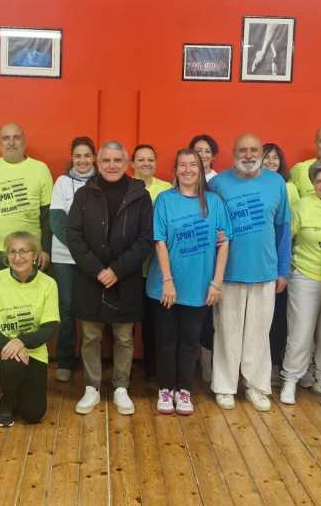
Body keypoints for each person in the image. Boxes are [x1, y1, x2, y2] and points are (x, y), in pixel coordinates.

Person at [67, 141, 153, 416]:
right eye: (106, 160)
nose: (112, 165)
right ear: (98, 163)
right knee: (90, 337)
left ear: (126, 163)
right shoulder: (83, 194)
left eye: (117, 160)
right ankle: (91, 387)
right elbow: (73, 236)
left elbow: (145, 239)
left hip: (125, 279)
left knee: (124, 337)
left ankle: (121, 387)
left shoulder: (140, 195)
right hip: (90, 277)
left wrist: (116, 270)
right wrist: (98, 269)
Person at [208, 133, 290, 411]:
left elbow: (283, 228)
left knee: (259, 333)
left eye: (254, 149)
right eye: (242, 150)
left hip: (265, 271)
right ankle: (225, 387)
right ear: (233, 153)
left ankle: (256, 386)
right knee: (227, 332)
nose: (248, 155)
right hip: (228, 272)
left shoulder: (276, 182)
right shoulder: (218, 184)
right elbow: (210, 224)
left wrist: (283, 270)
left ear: (262, 153)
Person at [147, 149, 230, 415]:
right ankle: (165, 389)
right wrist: (167, 281)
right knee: (166, 341)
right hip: (166, 286)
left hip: (199, 286)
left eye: (193, 165)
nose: (188, 170)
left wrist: (216, 283)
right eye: (182, 165)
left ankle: (184, 390)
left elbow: (224, 242)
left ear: (201, 169)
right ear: (175, 170)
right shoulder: (164, 200)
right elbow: (159, 241)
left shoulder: (214, 202)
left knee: (190, 342)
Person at [0, 231, 60, 428]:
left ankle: (16, 387)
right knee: (13, 364)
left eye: (24, 251)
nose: (17, 257)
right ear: (6, 256)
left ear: (35, 255)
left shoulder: (48, 284)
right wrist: (11, 344)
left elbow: (49, 328)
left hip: (33, 349)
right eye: (12, 252)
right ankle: (7, 400)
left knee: (33, 414)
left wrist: (21, 341)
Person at [279, 159, 321, 405]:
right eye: (318, 181)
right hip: (305, 276)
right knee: (301, 331)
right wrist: (287, 270)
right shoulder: (303, 206)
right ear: (312, 184)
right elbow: (286, 240)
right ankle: (291, 379)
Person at [0, 123, 53, 288]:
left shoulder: (41, 169)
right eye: (6, 138)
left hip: (28, 251)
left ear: (24, 141)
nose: (11, 142)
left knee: (25, 299)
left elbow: (47, 215)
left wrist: (45, 249)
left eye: (16, 137)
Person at [48, 137, 96, 383]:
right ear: (72, 157)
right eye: (78, 156)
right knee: (66, 309)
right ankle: (65, 360)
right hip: (64, 257)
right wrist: (79, 247)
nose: (82, 160)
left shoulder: (102, 181)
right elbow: (57, 220)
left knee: (91, 311)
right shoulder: (62, 182)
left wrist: (87, 251)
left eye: (87, 155)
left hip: (93, 257)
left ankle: (91, 364)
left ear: (94, 157)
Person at [132, 143, 172, 382]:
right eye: (141, 159)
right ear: (132, 163)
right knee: (126, 324)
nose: (146, 163)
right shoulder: (126, 187)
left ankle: (152, 370)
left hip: (156, 269)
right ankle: (122, 373)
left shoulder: (167, 189)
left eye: (150, 159)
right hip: (131, 268)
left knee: (154, 323)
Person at [261, 142, 299, 379]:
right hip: (261, 260)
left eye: (275, 157)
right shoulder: (255, 186)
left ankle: (274, 362)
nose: (271, 161)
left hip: (283, 256)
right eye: (267, 157)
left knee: (278, 317)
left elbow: (288, 227)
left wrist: (284, 265)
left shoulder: (290, 188)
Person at [188, 133, 220, 381]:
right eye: (198, 150)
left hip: (213, 256)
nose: (202, 155)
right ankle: (191, 363)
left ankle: (208, 367)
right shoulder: (181, 179)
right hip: (189, 255)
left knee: (210, 317)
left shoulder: (219, 183)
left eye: (207, 151)